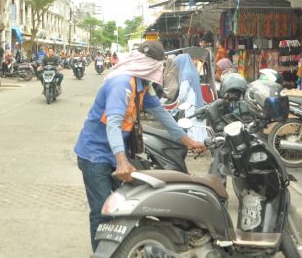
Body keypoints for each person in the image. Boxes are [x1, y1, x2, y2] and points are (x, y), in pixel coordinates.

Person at [74, 41, 206, 251]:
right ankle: (101, 254)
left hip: (117, 154)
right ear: (149, 65)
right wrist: (122, 161)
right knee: (102, 211)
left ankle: (122, 250)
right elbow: (114, 124)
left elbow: (161, 113)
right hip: (95, 155)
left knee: (126, 206)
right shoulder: (122, 83)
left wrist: (187, 141)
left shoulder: (142, 84)